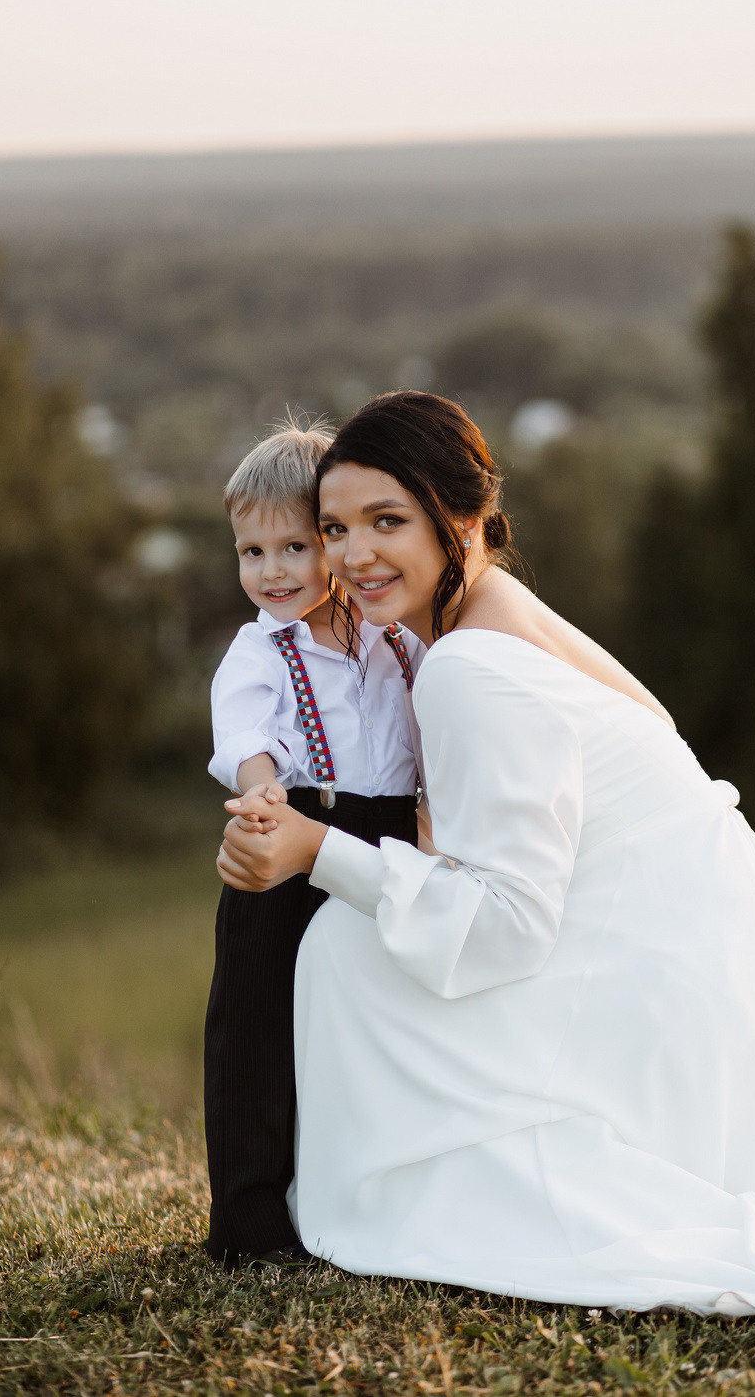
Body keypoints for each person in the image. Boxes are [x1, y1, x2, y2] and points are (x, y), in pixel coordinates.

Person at [218, 392, 755, 1326]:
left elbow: (509, 930)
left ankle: (379, 1189)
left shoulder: (463, 668)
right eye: (336, 528)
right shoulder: (499, 600)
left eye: (386, 522)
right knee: (374, 936)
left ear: (461, 518)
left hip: (678, 1028)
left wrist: (322, 851)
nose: (353, 557)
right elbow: (655, 724)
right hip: (738, 971)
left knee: (341, 955)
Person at [204, 417, 422, 1268]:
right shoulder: (260, 651)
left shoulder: (393, 638)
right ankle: (250, 1219)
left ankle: (357, 1194)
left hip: (392, 839)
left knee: (367, 1018)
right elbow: (246, 737)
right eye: (250, 553)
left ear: (334, 543)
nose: (271, 572)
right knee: (257, 1018)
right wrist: (263, 798)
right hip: (289, 827)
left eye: (294, 547)